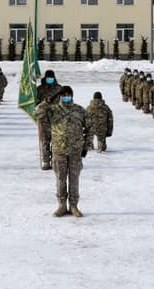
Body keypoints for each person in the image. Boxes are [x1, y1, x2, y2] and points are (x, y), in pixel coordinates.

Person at [35, 86, 90, 217]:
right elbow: (37, 113)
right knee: (60, 178)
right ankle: (61, 205)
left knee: (74, 179)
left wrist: (86, 146)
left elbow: (89, 128)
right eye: (64, 94)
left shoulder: (79, 110)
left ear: (72, 95)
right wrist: (47, 101)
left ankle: (73, 206)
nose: (66, 97)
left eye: (69, 94)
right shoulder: (53, 110)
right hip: (59, 150)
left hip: (75, 151)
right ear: (60, 96)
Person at [35, 70, 61, 170]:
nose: (50, 79)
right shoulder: (40, 89)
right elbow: (36, 103)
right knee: (45, 140)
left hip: (57, 118)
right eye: (48, 77)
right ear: (45, 78)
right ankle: (46, 161)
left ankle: (55, 160)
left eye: (51, 77)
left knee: (56, 140)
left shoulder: (59, 88)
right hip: (43, 118)